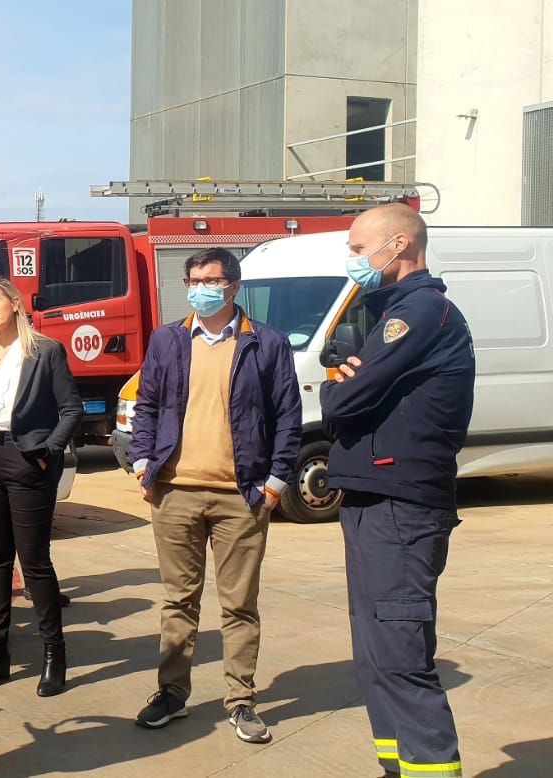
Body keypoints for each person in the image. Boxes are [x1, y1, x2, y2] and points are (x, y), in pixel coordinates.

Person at [127, 247, 302, 743]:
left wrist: (276, 482)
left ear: (233, 285)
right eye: (193, 279)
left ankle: (241, 700)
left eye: (211, 279)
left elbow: (287, 417)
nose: (200, 287)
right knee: (178, 601)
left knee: (238, 605)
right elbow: (147, 403)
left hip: (240, 497)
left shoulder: (265, 344)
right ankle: (171, 694)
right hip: (175, 493)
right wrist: (143, 463)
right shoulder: (168, 340)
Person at [321, 204, 472, 778]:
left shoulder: (419, 311)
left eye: (360, 248)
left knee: (401, 657)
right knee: (377, 658)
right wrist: (347, 383)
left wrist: (346, 386)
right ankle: (399, 767)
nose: (353, 259)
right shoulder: (388, 311)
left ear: (401, 244)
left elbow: (339, 402)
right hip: (373, 499)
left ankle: (431, 768)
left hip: (400, 505)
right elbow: (343, 393)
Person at [0, 278, 81, 696]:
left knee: (35, 561)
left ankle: (54, 653)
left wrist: (48, 451)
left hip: (26, 460)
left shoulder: (44, 351)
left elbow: (70, 409)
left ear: (14, 303)